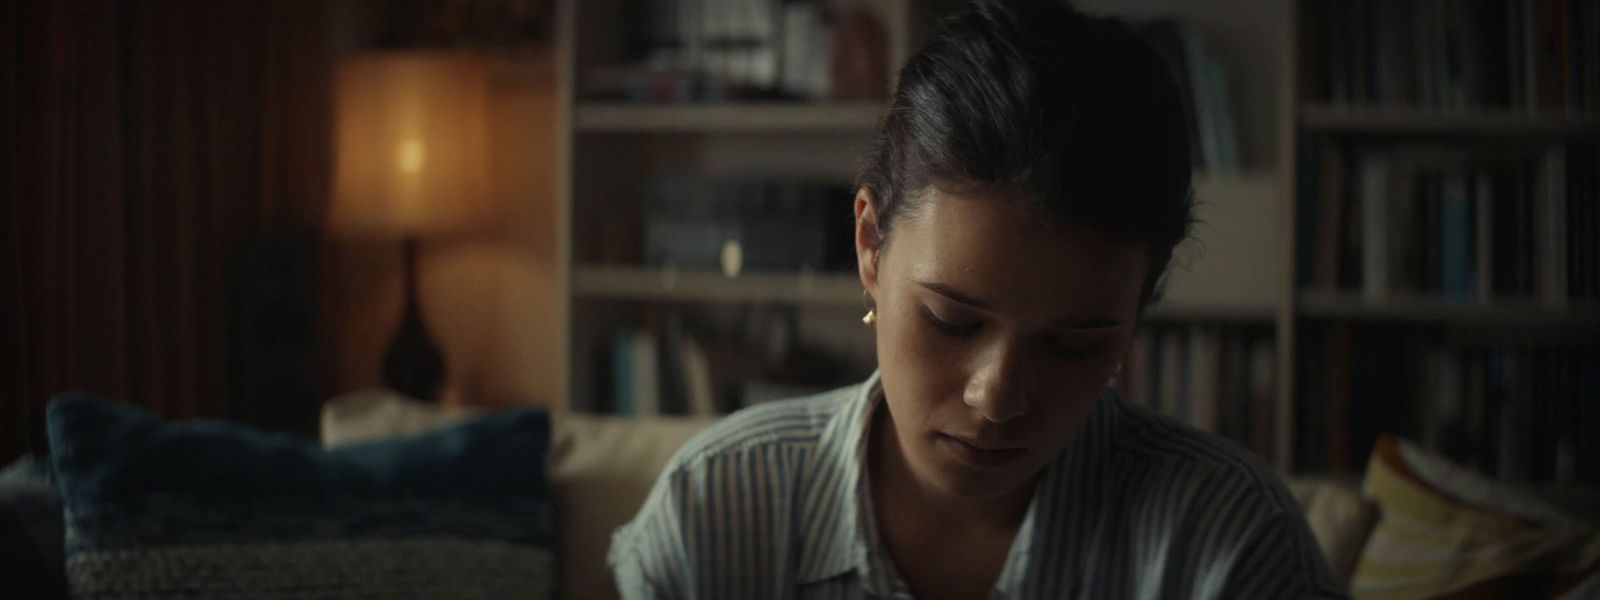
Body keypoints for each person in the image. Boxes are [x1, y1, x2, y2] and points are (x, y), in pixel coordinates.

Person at [609, 0, 1346, 598]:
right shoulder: (713, 512)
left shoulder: (1227, 549)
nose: (997, 398)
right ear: (870, 246)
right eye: (953, 319)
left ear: (1139, 309)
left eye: (1074, 344)